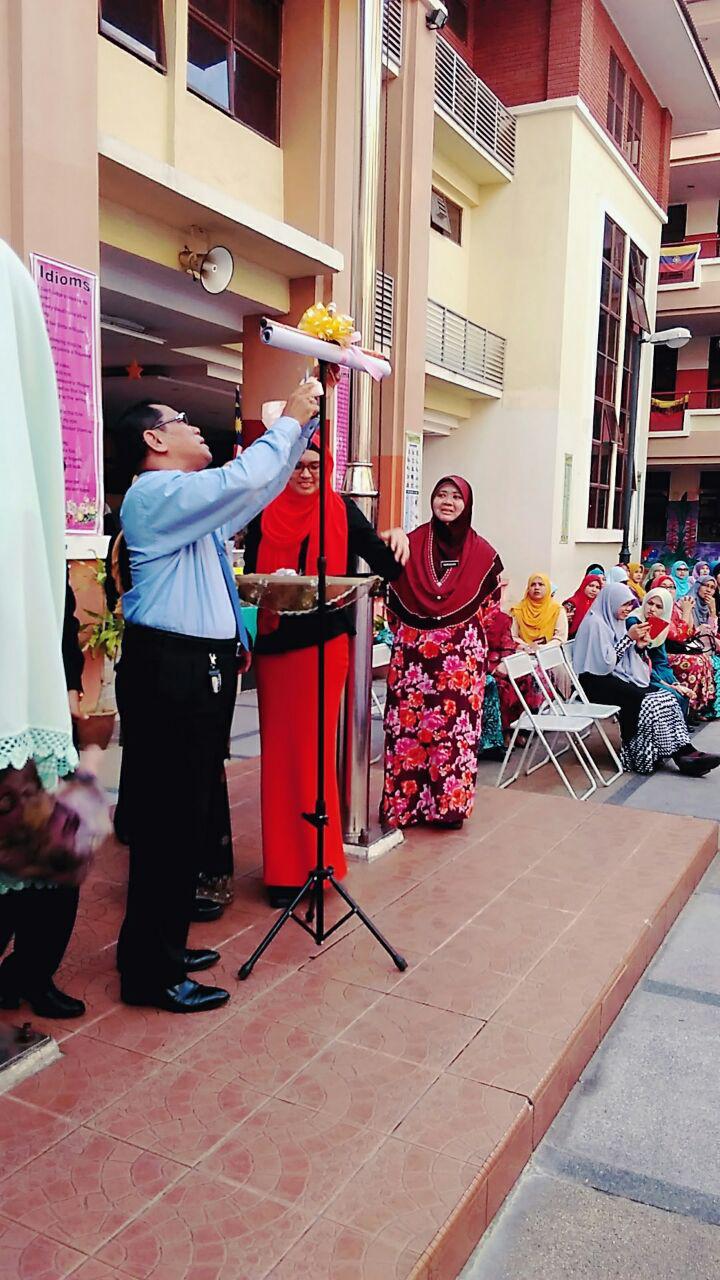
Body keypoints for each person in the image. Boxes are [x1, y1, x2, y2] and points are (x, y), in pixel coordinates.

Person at [111, 379, 324, 1013]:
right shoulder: (155, 495)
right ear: (155, 440)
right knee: (168, 823)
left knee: (188, 818)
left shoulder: (186, 503)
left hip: (193, 670)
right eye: (182, 419)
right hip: (169, 671)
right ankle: (150, 973)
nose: (195, 426)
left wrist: (303, 428)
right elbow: (241, 479)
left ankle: (163, 947)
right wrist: (286, 421)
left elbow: (255, 488)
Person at [244, 436, 408, 908]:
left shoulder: (341, 512)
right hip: (276, 645)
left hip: (322, 647)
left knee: (314, 755)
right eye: (297, 466)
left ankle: (320, 864)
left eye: (315, 465)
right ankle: (282, 871)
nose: (306, 474)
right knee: (279, 756)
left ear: (327, 467)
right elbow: (251, 580)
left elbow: (388, 568)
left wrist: (397, 536)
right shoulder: (263, 512)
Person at [0, 239, 95, 1017]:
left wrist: (62, 691)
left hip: (37, 705)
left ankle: (34, 975)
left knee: (61, 848)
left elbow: (57, 609)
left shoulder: (33, 537)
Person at [382, 476, 502, 830]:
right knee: (407, 729)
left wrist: (449, 631)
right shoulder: (410, 543)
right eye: (441, 495)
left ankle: (448, 809)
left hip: (459, 663)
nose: (447, 502)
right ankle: (405, 806)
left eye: (455, 497)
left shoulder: (483, 554)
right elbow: (391, 600)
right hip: (412, 659)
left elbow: (490, 608)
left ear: (467, 504)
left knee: (454, 733)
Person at [574, 584, 719, 777]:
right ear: (612, 602)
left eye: (630, 604)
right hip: (594, 683)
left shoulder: (614, 620)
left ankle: (685, 752)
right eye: (624, 604)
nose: (628, 609)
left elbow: (622, 659)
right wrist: (628, 638)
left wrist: (639, 647)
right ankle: (644, 757)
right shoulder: (595, 623)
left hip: (613, 677)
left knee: (666, 697)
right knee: (649, 702)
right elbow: (603, 664)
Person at [651, 573, 716, 717]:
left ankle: (695, 708)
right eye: (664, 587)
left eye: (672, 587)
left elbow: (690, 632)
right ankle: (687, 709)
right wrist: (687, 611)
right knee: (696, 662)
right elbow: (679, 636)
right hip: (662, 654)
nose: (669, 590)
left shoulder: (675, 607)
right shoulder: (656, 609)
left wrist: (692, 611)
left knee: (705, 660)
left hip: (679, 650)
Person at [628, 588, 691, 714]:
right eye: (650, 603)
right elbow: (639, 660)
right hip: (635, 672)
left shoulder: (659, 624)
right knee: (673, 695)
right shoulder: (634, 622)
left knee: (682, 694)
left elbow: (661, 661)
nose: (652, 609)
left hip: (651, 671)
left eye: (658, 607)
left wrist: (675, 683)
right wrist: (668, 685)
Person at [510, 574, 568, 650]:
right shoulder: (518, 610)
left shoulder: (557, 610)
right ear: (528, 588)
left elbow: (560, 638)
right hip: (523, 652)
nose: (536, 588)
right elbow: (512, 636)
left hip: (550, 651)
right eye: (533, 585)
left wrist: (541, 648)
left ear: (547, 588)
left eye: (541, 584)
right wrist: (526, 647)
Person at [562, 573, 603, 639]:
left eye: (598, 587)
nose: (594, 590)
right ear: (584, 586)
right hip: (571, 639)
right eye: (591, 586)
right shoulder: (571, 603)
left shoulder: (598, 605)